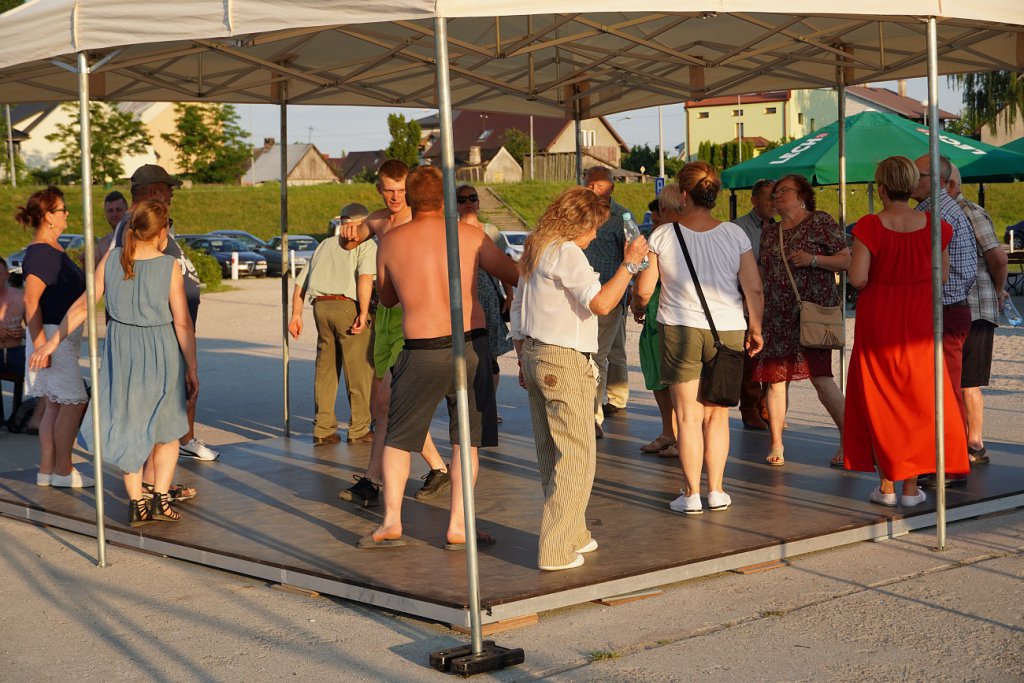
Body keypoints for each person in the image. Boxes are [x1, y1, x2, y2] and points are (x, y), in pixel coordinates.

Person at [358, 166, 518, 550]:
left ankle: (392, 521)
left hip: (421, 348)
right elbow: (512, 272)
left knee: (397, 437)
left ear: (409, 199)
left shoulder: (392, 242)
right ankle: (458, 526)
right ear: (446, 199)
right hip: (471, 345)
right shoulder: (470, 236)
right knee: (467, 440)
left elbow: (389, 297)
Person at [30, 200, 198, 526]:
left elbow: (81, 307)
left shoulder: (111, 260)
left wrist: (50, 343)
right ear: (162, 232)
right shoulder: (169, 266)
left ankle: (137, 504)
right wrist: (192, 367)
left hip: (122, 351)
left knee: (128, 427)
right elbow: (183, 323)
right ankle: (160, 499)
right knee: (167, 430)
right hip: (161, 350)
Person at [513, 186, 648, 570]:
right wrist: (629, 264)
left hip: (538, 353)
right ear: (579, 224)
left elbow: (520, 306)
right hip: (565, 359)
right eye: (592, 230)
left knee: (551, 451)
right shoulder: (568, 252)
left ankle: (573, 532)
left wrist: (523, 359)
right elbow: (602, 304)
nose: (593, 238)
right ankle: (556, 548)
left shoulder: (537, 247)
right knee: (577, 455)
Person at [634, 162, 764, 515]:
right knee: (718, 416)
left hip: (680, 328)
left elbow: (645, 289)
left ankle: (691, 494)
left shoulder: (662, 236)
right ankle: (717, 490)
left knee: (688, 416)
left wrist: (638, 306)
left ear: (684, 194)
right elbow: (753, 287)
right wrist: (755, 328)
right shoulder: (735, 235)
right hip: (730, 329)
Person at [844, 156, 968, 506]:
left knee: (882, 401)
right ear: (912, 186)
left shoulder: (869, 226)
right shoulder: (937, 226)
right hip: (919, 321)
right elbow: (941, 276)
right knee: (916, 401)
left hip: (879, 319)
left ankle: (886, 485)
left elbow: (858, 278)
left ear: (880, 188)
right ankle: (912, 488)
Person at [337, 160, 449, 506]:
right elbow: (351, 242)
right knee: (384, 407)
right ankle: (429, 468)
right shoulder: (379, 219)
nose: (395, 196)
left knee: (389, 402)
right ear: (379, 189)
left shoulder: (419, 219)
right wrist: (347, 237)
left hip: (411, 315)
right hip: (385, 316)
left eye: (401, 190)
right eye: (389, 189)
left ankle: (376, 480)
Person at [114, 165, 215, 463]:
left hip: (170, 332)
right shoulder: (135, 226)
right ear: (156, 189)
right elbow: (132, 280)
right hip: (162, 334)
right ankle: (152, 484)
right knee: (158, 412)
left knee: (171, 406)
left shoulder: (149, 224)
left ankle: (163, 471)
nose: (172, 192)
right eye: (168, 187)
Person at [753, 174, 850, 467]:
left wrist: (813, 260)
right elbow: (760, 270)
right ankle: (776, 444)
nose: (777, 196)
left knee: (822, 380)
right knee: (775, 380)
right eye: (775, 192)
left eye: (784, 191)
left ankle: (850, 438)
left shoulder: (821, 221)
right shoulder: (770, 232)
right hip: (776, 316)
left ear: (802, 195)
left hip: (811, 314)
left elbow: (846, 260)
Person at [16, 187, 91, 487]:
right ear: (48, 216)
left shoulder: (52, 249)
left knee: (54, 405)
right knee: (73, 402)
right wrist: (40, 346)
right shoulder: (41, 253)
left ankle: (47, 469)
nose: (67, 214)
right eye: (62, 209)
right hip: (51, 337)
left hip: (58, 338)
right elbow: (30, 301)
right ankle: (63, 470)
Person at [910, 155, 978, 486]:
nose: (911, 179)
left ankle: (952, 464)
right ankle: (945, 459)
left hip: (946, 311)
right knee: (943, 389)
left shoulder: (933, 212)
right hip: (948, 309)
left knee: (947, 391)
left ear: (935, 179)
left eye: (917, 174)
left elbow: (952, 274)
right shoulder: (938, 208)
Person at [288, 203, 375, 445]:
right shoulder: (365, 244)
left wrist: (296, 314)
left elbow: (300, 283)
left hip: (321, 308)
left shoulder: (324, 244)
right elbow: (365, 278)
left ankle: (323, 429)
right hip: (347, 306)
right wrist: (364, 311)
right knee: (358, 370)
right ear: (361, 223)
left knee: (325, 370)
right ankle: (359, 429)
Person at [947, 164, 1007, 466]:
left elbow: (997, 256)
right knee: (961, 379)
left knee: (968, 380)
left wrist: (998, 290)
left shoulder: (968, 211)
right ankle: (967, 441)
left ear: (951, 184)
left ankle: (974, 442)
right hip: (963, 306)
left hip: (975, 306)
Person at [456, 184, 513, 417]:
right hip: (462, 299)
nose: (468, 202)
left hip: (489, 299)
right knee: (466, 355)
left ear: (479, 203)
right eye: (462, 199)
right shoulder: (451, 231)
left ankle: (488, 406)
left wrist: (510, 295)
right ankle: (468, 407)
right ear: (455, 204)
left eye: (472, 198)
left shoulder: (491, 231)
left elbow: (504, 263)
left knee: (490, 356)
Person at [632, 188, 681, 457]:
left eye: (657, 220)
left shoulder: (666, 241)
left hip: (666, 315)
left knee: (675, 380)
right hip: (653, 317)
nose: (654, 226)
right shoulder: (656, 241)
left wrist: (637, 303)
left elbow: (644, 289)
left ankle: (681, 438)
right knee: (657, 377)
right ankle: (668, 432)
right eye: (652, 221)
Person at [581, 166, 629, 435]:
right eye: (589, 183)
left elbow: (630, 254)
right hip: (584, 292)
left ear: (611, 187)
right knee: (608, 350)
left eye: (597, 184)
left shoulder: (622, 216)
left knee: (602, 354)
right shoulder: (582, 213)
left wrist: (628, 286)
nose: (592, 188)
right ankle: (615, 398)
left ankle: (597, 412)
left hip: (610, 292)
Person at [732, 179, 776, 430]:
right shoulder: (738, 228)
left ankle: (766, 406)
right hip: (748, 300)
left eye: (777, 197)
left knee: (772, 358)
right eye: (769, 197)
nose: (774, 203)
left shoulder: (782, 227)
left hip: (774, 301)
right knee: (749, 359)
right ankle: (749, 408)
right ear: (754, 200)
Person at [0, 256, 26, 421]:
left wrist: (22, 332)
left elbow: (33, 327)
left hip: (16, 350)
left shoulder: (21, 297)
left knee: (37, 368)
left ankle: (21, 414)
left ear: (7, 275)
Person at [96, 190, 129, 259]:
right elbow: (94, 269)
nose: (114, 214)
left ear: (127, 211)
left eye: (118, 210)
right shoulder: (102, 244)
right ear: (105, 213)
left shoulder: (136, 239)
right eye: (110, 210)